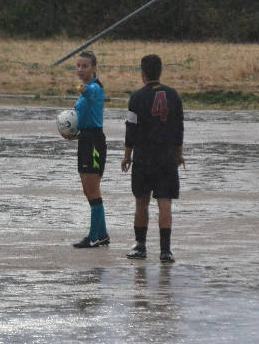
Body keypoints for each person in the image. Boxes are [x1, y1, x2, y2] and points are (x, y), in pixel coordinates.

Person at [121, 54, 184, 262]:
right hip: (166, 157)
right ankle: (166, 251)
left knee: (142, 202)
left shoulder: (136, 98)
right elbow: (178, 129)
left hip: (144, 157)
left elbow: (131, 129)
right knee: (164, 204)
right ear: (160, 71)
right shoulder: (174, 96)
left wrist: (127, 156)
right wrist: (179, 154)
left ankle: (140, 247)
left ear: (143, 73)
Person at [65, 51, 110, 248]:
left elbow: (90, 93)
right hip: (84, 138)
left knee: (93, 189)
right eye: (78, 66)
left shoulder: (95, 88)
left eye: (85, 66)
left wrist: (82, 87)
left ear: (94, 68)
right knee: (86, 189)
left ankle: (94, 236)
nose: (80, 69)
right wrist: (72, 132)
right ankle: (102, 234)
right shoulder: (85, 89)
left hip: (94, 141)